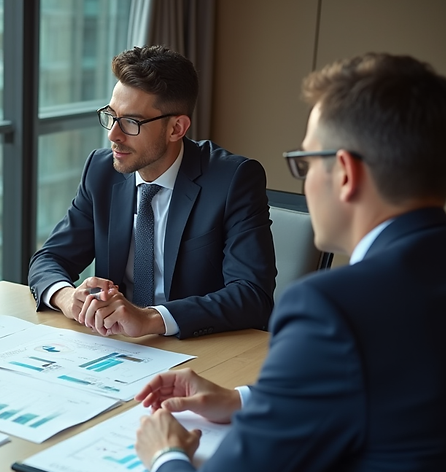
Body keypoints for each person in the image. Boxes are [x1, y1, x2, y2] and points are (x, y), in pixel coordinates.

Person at [132, 53, 446, 472]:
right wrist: (244, 400)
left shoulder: (335, 310)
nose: (304, 180)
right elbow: (401, 391)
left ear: (345, 173)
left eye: (306, 162)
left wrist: (165, 454)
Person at [28, 45, 276, 340]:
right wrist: (68, 299)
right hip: (117, 346)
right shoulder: (101, 170)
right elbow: (48, 259)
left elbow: (252, 295)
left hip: (199, 349)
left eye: (131, 122)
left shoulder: (233, 180)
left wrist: (151, 318)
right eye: (111, 115)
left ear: (176, 128)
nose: (113, 135)